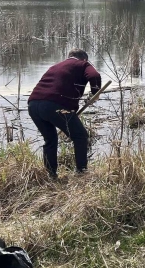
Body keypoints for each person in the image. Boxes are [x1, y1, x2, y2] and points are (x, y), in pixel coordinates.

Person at [28, 49, 101, 179]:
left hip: (33, 105)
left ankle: (51, 175)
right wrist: (95, 93)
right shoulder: (83, 64)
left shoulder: (55, 66)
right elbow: (94, 75)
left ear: (69, 57)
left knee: (50, 139)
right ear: (84, 58)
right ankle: (81, 173)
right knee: (80, 136)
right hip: (54, 105)